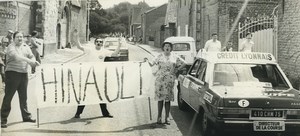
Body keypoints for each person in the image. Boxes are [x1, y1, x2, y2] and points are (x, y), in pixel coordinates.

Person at [74, 37, 121, 119]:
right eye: (97, 42)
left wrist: (119, 44)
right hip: (89, 77)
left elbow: (115, 54)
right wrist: (76, 36)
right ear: (95, 43)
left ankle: (105, 113)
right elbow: (79, 47)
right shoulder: (90, 50)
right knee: (85, 95)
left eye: (100, 42)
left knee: (101, 95)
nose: (99, 43)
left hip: (99, 76)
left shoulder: (104, 51)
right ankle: (78, 113)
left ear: (102, 44)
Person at [1, 31, 40, 128]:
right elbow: (17, 57)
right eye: (18, 37)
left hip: (23, 74)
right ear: (14, 38)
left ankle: (26, 116)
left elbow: (31, 55)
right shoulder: (11, 47)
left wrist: (34, 60)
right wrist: (30, 62)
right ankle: (3, 119)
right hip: (12, 74)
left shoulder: (26, 46)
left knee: (23, 97)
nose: (20, 39)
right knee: (8, 97)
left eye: (21, 37)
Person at [145, 42, 186, 125]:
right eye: (165, 46)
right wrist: (146, 60)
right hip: (160, 80)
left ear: (171, 48)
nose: (167, 47)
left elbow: (184, 63)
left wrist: (177, 69)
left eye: (169, 46)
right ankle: (159, 117)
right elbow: (151, 64)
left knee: (167, 99)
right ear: (163, 48)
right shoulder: (159, 56)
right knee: (160, 99)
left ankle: (167, 117)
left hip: (169, 81)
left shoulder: (174, 56)